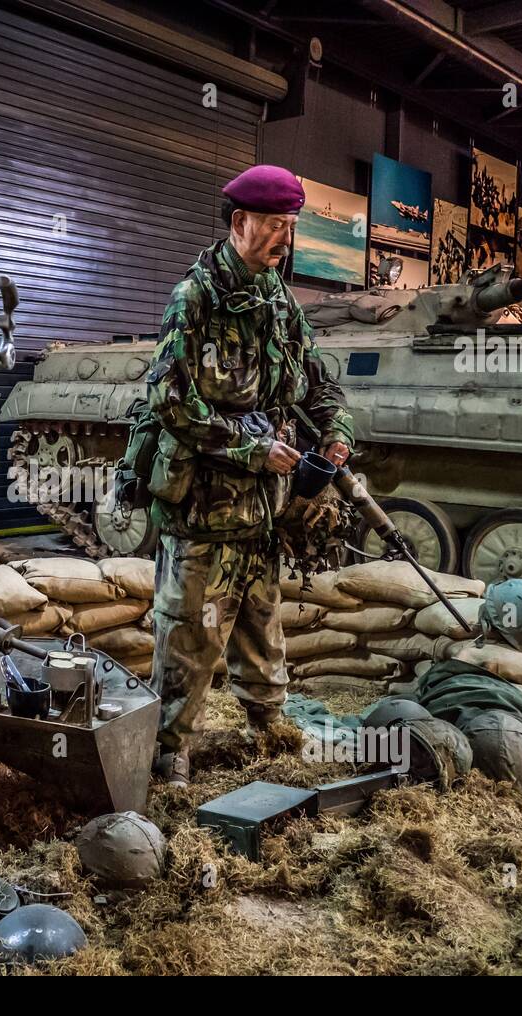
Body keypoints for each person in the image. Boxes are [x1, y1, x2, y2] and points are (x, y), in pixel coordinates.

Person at [144, 164, 355, 787]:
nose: (283, 240)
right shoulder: (195, 298)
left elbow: (320, 385)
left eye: (290, 228)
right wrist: (250, 450)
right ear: (240, 223)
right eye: (274, 227)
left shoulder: (278, 300)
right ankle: (170, 749)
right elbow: (170, 402)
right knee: (189, 637)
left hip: (262, 513)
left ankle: (270, 727)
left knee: (263, 629)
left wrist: (338, 434)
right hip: (205, 511)